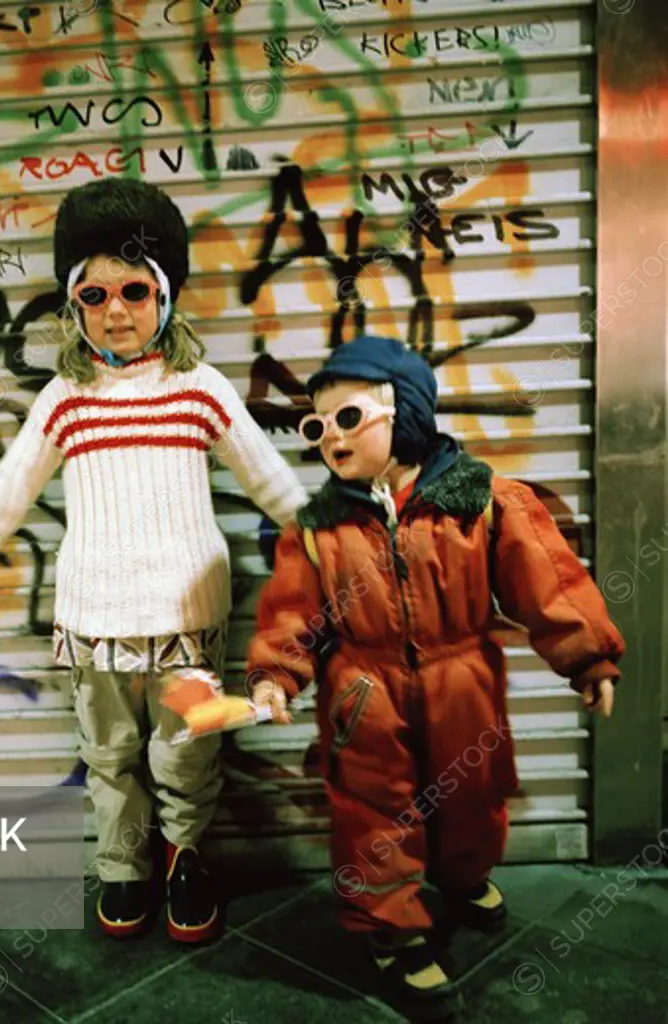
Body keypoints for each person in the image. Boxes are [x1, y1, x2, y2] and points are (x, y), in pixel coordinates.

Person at [0, 177, 308, 943]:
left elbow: (268, 475)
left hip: (185, 616)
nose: (117, 311)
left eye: (135, 290)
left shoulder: (198, 389)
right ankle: (123, 865)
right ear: (74, 306)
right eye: (94, 295)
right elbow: (13, 483)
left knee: (184, 755)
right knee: (108, 755)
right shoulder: (66, 396)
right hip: (93, 617)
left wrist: (329, 537)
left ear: (164, 296)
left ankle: (187, 859)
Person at [245, 334, 624, 1017]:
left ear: (407, 414)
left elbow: (548, 582)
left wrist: (587, 655)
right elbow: (292, 611)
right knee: (372, 813)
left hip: (462, 679)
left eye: (349, 417)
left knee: (473, 794)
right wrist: (276, 674)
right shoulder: (319, 525)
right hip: (363, 689)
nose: (331, 436)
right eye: (316, 425)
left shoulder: (480, 500)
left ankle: (463, 873)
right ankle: (393, 931)